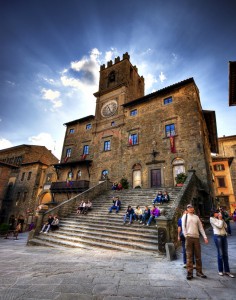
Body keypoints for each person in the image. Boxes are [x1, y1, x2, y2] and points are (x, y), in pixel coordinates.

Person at [182, 204, 208, 280]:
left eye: (191, 207)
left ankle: (199, 272)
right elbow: (183, 226)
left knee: (198, 256)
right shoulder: (185, 216)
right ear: (187, 209)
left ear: (193, 209)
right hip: (189, 237)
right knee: (189, 256)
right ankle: (189, 273)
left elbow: (200, 227)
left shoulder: (196, 217)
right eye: (189, 208)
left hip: (196, 237)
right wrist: (185, 235)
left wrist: (205, 237)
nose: (190, 209)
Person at [210, 209, 234, 278]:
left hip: (224, 236)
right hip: (218, 237)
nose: (218, 214)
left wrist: (222, 219)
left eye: (218, 213)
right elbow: (219, 226)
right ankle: (220, 270)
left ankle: (227, 271)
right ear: (214, 213)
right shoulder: (211, 219)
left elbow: (225, 226)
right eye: (217, 213)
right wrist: (220, 219)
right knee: (220, 254)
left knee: (225, 254)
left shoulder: (219, 219)